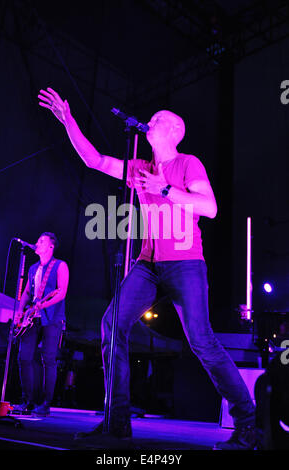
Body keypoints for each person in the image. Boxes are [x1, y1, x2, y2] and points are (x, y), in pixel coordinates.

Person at [38, 88, 256, 449]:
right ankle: (117, 421)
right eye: (151, 120)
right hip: (148, 264)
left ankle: (249, 422)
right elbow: (95, 161)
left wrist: (165, 189)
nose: (149, 123)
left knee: (201, 341)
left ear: (173, 131)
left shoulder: (188, 163)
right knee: (111, 323)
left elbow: (210, 208)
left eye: (156, 120)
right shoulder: (141, 166)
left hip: (186, 263)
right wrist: (68, 121)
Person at [14, 232, 69, 417]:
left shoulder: (61, 266)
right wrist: (20, 312)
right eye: (37, 240)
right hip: (32, 317)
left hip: (53, 317)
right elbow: (27, 293)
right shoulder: (33, 268)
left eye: (41, 241)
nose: (37, 243)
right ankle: (28, 400)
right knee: (23, 357)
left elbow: (61, 292)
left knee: (49, 359)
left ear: (51, 247)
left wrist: (43, 304)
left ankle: (46, 403)